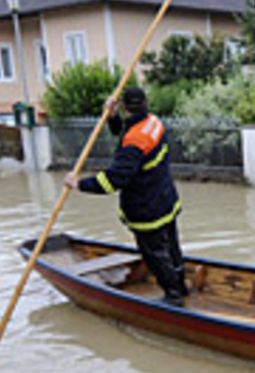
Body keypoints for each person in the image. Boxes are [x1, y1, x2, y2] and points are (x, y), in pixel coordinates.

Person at [65, 86, 189, 306]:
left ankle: (173, 296)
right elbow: (127, 134)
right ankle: (181, 285)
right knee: (171, 248)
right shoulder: (153, 122)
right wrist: (113, 118)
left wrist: (79, 184)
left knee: (155, 255)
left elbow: (113, 180)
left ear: (124, 106)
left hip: (147, 209)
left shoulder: (135, 142)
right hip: (165, 199)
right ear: (145, 104)